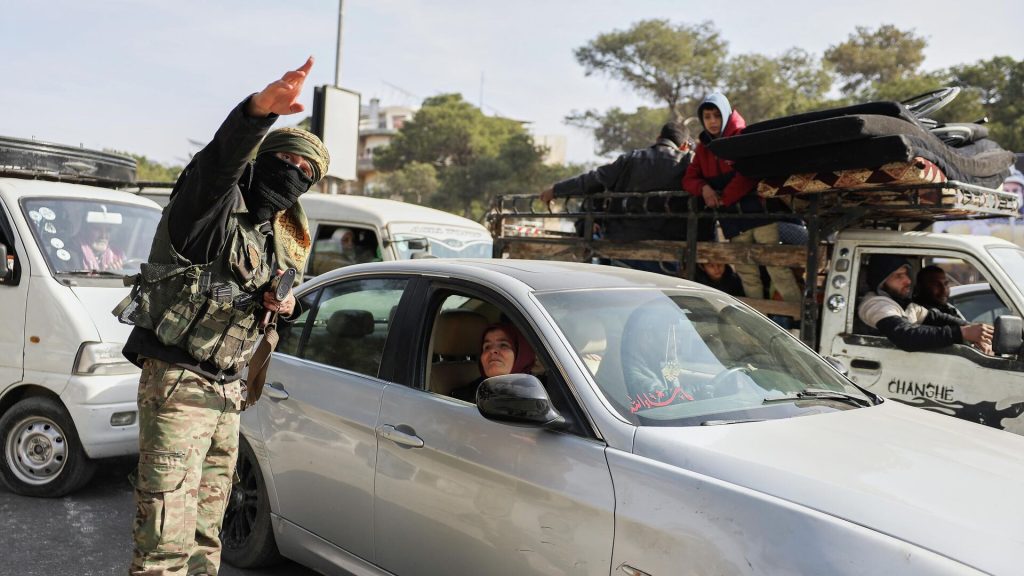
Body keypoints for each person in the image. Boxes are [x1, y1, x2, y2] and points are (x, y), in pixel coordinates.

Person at [119, 58, 330, 576]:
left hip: (227, 392)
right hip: (178, 383)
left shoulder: (278, 239)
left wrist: (280, 304)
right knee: (164, 541)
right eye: (286, 161)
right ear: (263, 159)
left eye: (306, 173)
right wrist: (258, 114)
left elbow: (256, 302)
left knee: (204, 536)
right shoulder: (211, 208)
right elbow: (219, 164)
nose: (294, 174)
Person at [540, 122, 713, 273]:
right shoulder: (688, 162)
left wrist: (555, 190)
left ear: (658, 138)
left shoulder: (632, 158)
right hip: (670, 251)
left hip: (624, 244)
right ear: (684, 145)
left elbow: (593, 179)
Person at [683, 93, 802, 306]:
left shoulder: (742, 137)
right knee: (747, 272)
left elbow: (748, 173)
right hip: (733, 221)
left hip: (761, 216)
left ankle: (798, 316)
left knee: (776, 267)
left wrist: (725, 198)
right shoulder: (703, 148)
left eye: (717, 116)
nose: (712, 121)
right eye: (707, 117)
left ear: (726, 115)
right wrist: (704, 188)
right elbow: (689, 178)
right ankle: (757, 318)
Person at [857, 255, 991, 353]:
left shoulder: (901, 302)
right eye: (898, 276)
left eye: (906, 274)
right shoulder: (875, 305)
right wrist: (962, 333)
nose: (908, 281)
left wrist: (976, 330)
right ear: (881, 281)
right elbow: (906, 336)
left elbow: (934, 317)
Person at [450, 323, 535, 402]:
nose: (492, 350)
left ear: (522, 355)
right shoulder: (459, 400)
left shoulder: (537, 395)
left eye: (503, 345)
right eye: (487, 347)